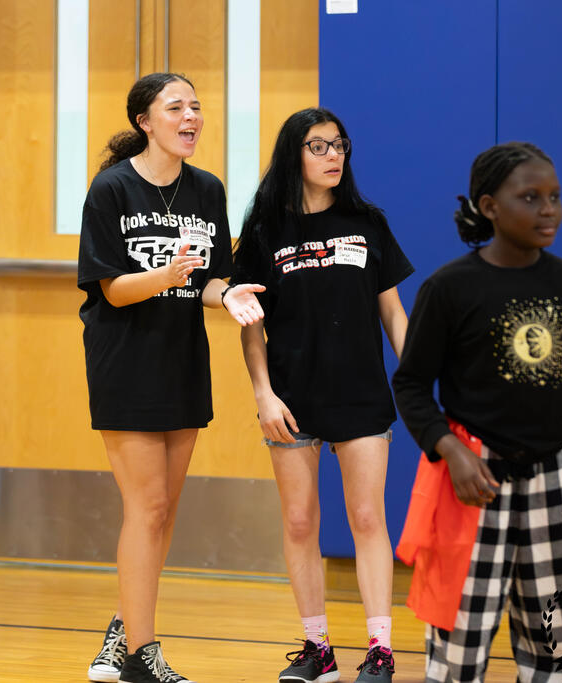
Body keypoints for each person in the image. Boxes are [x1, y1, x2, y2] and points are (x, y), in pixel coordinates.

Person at [392, 141, 562, 682]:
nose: (548, 210)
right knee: (458, 650)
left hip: (559, 481)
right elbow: (411, 385)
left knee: (558, 649)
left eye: (555, 197)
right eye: (531, 197)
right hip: (473, 481)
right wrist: (450, 449)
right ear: (490, 206)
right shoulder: (449, 288)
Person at [78, 72, 264, 683]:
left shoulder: (206, 189)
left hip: (182, 359)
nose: (191, 117)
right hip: (125, 359)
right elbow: (113, 289)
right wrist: (166, 275)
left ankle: (124, 628)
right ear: (145, 122)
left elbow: (209, 278)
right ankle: (142, 655)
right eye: (176, 107)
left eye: (196, 107)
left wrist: (227, 295)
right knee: (148, 505)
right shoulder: (111, 189)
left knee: (163, 511)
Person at [232, 108, 413, 683]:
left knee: (367, 517)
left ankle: (381, 650)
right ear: (294, 154)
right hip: (291, 398)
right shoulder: (264, 231)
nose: (334, 155)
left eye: (339, 145)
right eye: (319, 146)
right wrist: (263, 395)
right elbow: (251, 327)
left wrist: (420, 380)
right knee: (298, 521)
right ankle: (318, 649)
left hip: (360, 394)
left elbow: (393, 314)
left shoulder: (367, 222)